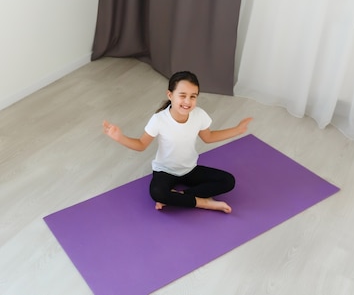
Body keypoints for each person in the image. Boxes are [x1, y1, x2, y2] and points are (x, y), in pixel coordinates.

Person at [103, 70, 252, 213]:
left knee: (228, 181)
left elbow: (209, 137)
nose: (187, 101)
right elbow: (141, 144)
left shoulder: (199, 115)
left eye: (193, 96)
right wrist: (120, 137)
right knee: (157, 193)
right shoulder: (159, 120)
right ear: (170, 95)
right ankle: (204, 202)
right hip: (165, 171)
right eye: (182, 95)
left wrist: (237, 130)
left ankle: (176, 197)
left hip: (189, 169)